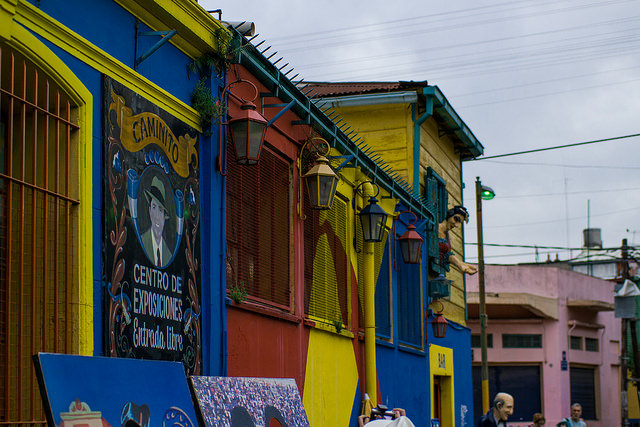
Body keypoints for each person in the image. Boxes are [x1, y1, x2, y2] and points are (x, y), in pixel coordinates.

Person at [142, 176, 172, 267]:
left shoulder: (169, 256)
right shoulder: (142, 243)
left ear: (164, 216)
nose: (157, 216)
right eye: (154, 207)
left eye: (160, 210)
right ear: (149, 211)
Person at [438, 206, 477, 275]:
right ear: (450, 214)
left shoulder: (446, 236)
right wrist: (459, 264)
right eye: (456, 219)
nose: (456, 225)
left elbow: (447, 255)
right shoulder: (435, 229)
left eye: (459, 223)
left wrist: (461, 264)